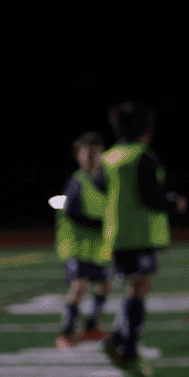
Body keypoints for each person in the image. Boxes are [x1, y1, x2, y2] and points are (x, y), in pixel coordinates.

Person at [98, 102, 188, 377]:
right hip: (140, 235)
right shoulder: (143, 157)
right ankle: (129, 352)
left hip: (117, 235)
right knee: (139, 291)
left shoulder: (108, 157)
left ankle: (117, 340)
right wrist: (174, 204)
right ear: (146, 130)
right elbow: (151, 198)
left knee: (134, 290)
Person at [54, 132, 112, 348]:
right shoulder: (76, 182)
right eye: (88, 154)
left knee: (105, 285)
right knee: (79, 287)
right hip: (76, 247)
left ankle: (90, 328)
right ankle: (65, 333)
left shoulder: (105, 180)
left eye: (96, 154)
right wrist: (104, 223)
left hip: (96, 248)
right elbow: (73, 213)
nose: (92, 159)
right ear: (78, 156)